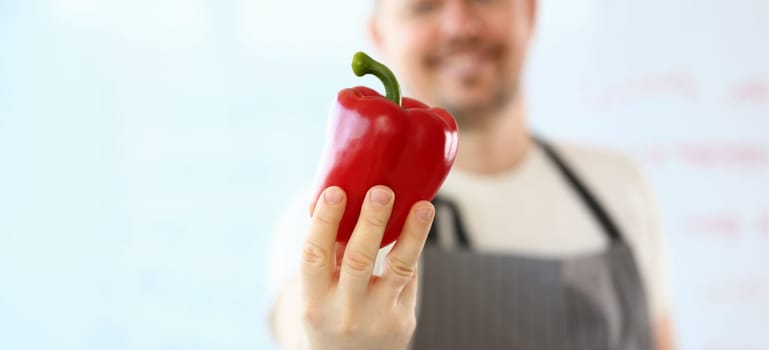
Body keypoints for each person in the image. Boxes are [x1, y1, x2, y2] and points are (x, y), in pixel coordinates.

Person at [268, 0, 676, 349]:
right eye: (424, 6)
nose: (460, 24)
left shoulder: (621, 186)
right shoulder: (333, 224)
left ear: (529, 13)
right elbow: (302, 323)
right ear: (380, 36)